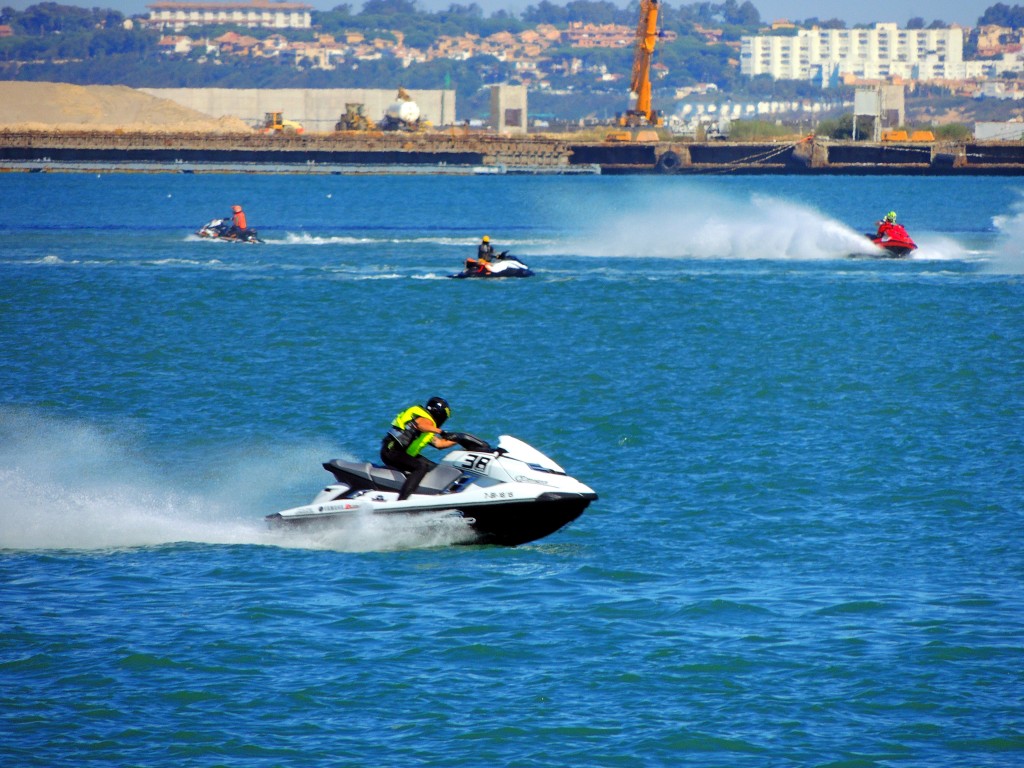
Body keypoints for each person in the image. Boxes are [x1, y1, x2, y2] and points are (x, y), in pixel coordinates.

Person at [380, 396, 458, 500]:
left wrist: (459, 439)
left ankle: (434, 495)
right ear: (438, 414)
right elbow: (420, 425)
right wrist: (441, 432)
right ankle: (402, 500)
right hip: (392, 451)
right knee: (420, 467)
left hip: (400, 453)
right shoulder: (425, 419)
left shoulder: (428, 426)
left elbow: (439, 444)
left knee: (434, 468)